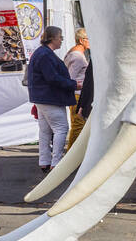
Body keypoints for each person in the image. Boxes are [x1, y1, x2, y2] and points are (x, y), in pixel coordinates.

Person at [28, 26, 77, 172]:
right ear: (53, 38)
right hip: (50, 97)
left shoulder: (41, 53)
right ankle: (56, 162)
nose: (61, 40)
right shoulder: (46, 55)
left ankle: (45, 161)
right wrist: (74, 84)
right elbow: (53, 78)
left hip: (41, 97)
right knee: (61, 128)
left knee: (45, 131)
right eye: (60, 37)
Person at [64, 27, 90, 151]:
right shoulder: (78, 57)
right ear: (81, 40)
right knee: (78, 125)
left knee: (78, 124)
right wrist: (79, 85)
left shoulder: (72, 53)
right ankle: (70, 153)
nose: (90, 41)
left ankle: (74, 153)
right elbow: (71, 77)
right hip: (77, 94)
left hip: (76, 93)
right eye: (88, 39)